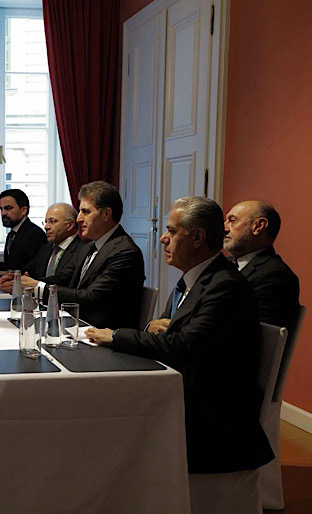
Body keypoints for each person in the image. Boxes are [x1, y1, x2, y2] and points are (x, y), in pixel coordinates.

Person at [87, 197, 273, 512]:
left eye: (172, 231)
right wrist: (153, 328)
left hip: (215, 419)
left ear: (197, 237)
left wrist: (117, 335)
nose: (163, 238)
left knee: (108, 416)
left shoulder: (224, 284)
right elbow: (169, 332)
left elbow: (184, 346)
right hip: (191, 392)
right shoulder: (196, 279)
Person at [0, 181, 144, 329]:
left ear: (106, 214)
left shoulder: (125, 252)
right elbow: (62, 278)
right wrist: (21, 282)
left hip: (104, 335)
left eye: (85, 212)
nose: (79, 218)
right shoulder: (89, 246)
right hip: (77, 326)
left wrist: (36, 287)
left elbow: (91, 297)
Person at [224, 200, 300, 332]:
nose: (224, 228)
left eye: (232, 220)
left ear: (258, 226)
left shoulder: (275, 276)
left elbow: (252, 335)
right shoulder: (223, 264)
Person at [0, 189, 48, 280]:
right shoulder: (13, 233)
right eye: (1, 209)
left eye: (8, 208)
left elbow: (33, 270)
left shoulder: (35, 234)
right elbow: (13, 266)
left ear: (23, 210)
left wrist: (5, 274)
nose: (3, 213)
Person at [26, 203, 87, 279]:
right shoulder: (46, 248)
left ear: (70, 225)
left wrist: (34, 283)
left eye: (52, 221)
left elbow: (63, 280)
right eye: (46, 222)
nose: (46, 227)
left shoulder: (83, 250)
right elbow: (31, 272)